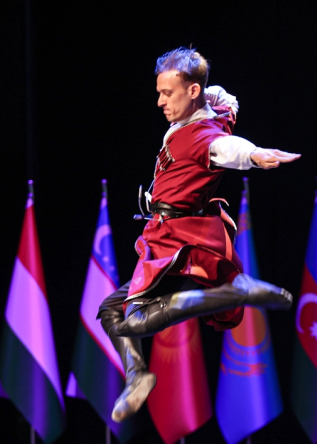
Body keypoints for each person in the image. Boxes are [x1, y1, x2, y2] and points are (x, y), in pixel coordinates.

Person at [99, 47, 300, 423]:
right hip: (167, 233)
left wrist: (254, 154)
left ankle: (233, 292)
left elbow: (225, 148)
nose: (160, 102)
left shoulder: (202, 134)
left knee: (133, 319)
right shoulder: (211, 109)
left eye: (167, 93)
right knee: (111, 310)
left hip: (180, 240)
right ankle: (137, 375)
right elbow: (224, 98)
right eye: (159, 92)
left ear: (192, 92)